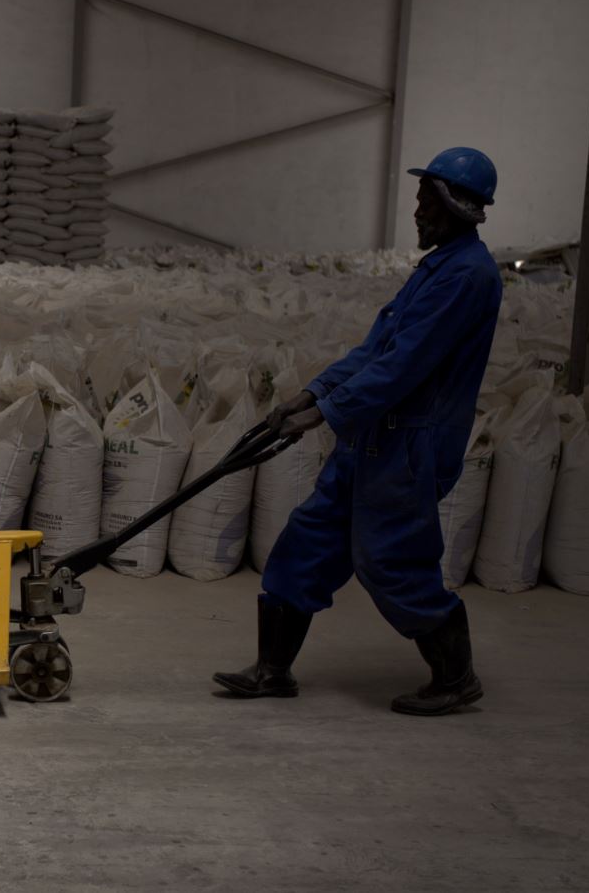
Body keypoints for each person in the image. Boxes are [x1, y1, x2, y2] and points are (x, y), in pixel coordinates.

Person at [213, 147, 503, 717]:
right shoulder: (437, 267)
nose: (418, 213)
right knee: (308, 541)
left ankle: (456, 676)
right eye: (419, 201)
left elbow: (405, 366)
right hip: (372, 435)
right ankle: (273, 670)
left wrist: (326, 412)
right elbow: (375, 350)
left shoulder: (467, 277)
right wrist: (313, 393)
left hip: (409, 446)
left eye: (428, 203)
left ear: (460, 208)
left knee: (392, 560)